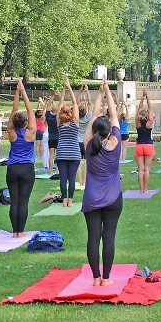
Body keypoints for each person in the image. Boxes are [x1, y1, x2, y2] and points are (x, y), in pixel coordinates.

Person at [82, 78, 123, 287]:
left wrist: (98, 93)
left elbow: (94, 117)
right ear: (108, 132)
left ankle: (96, 278)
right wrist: (107, 92)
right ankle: (106, 279)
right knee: (109, 238)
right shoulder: (115, 144)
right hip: (113, 198)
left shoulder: (89, 145)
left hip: (91, 198)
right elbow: (114, 115)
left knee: (93, 238)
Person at [6, 79, 37, 238]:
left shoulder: (11, 132)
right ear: (25, 122)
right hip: (27, 169)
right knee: (23, 201)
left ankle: (15, 232)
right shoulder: (30, 133)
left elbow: (14, 110)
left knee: (15, 201)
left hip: (12, 169)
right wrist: (23, 91)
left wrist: (17, 93)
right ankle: (20, 231)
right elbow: (30, 111)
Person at [55, 78, 82, 207]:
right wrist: (69, 87)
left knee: (63, 178)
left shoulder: (59, 123)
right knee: (71, 178)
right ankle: (70, 201)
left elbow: (60, 105)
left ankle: (64, 200)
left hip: (61, 153)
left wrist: (63, 89)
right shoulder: (75, 122)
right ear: (70, 113)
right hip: (74, 154)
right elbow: (75, 103)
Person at [134, 90, 155, 194]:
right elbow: (150, 108)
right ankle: (146, 190)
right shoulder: (149, 123)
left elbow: (139, 109)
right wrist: (147, 97)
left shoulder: (137, 122)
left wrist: (142, 98)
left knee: (140, 169)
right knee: (147, 169)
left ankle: (141, 190)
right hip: (148, 146)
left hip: (139, 146)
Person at [76, 86, 93, 188]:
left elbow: (76, 103)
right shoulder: (88, 117)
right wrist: (87, 91)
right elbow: (90, 104)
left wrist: (79, 92)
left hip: (77, 142)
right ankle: (86, 182)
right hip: (86, 142)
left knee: (78, 163)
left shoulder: (76, 118)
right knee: (87, 163)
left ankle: (81, 182)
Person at [44, 91, 59, 175]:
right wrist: (59, 96)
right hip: (58, 137)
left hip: (51, 138)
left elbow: (48, 106)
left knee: (51, 156)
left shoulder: (48, 116)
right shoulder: (58, 118)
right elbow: (62, 106)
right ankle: (57, 171)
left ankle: (50, 171)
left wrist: (53, 96)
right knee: (58, 156)